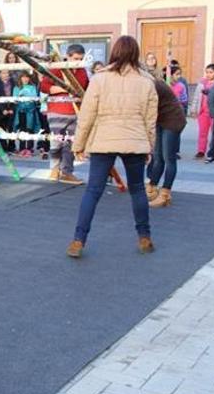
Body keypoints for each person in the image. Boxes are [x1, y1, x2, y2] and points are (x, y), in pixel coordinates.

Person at [68, 35, 158, 258]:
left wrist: (78, 144)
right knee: (137, 190)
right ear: (135, 54)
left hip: (103, 139)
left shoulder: (100, 79)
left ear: (114, 52)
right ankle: (144, 237)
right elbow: (150, 119)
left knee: (93, 191)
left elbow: (87, 115)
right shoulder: (147, 81)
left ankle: (78, 241)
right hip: (135, 140)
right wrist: (150, 146)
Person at [39, 44, 89, 185]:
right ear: (68, 56)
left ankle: (67, 172)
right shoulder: (57, 68)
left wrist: (81, 95)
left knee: (70, 143)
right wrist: (64, 88)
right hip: (57, 110)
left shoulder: (82, 71)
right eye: (75, 58)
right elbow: (44, 86)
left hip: (75, 111)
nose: (78, 61)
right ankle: (54, 169)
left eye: (80, 59)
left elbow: (86, 88)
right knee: (57, 141)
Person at [145, 76, 187, 208]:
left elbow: (148, 111)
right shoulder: (148, 84)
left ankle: (165, 194)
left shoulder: (153, 85)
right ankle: (152, 188)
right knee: (158, 157)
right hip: (161, 120)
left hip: (173, 120)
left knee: (168, 158)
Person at [193, 64, 214, 158]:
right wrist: (194, 109)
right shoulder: (202, 83)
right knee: (202, 132)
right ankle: (201, 151)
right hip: (203, 112)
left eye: (211, 72)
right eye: (207, 72)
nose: (208, 74)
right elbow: (196, 97)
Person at [12, 71, 40, 157]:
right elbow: (14, 99)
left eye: (27, 77)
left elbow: (34, 97)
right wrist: (20, 96)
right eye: (23, 77)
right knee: (22, 129)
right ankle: (22, 148)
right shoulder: (16, 88)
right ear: (20, 78)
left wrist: (28, 95)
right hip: (21, 111)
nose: (25, 79)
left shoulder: (33, 87)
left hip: (31, 111)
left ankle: (30, 148)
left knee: (30, 129)